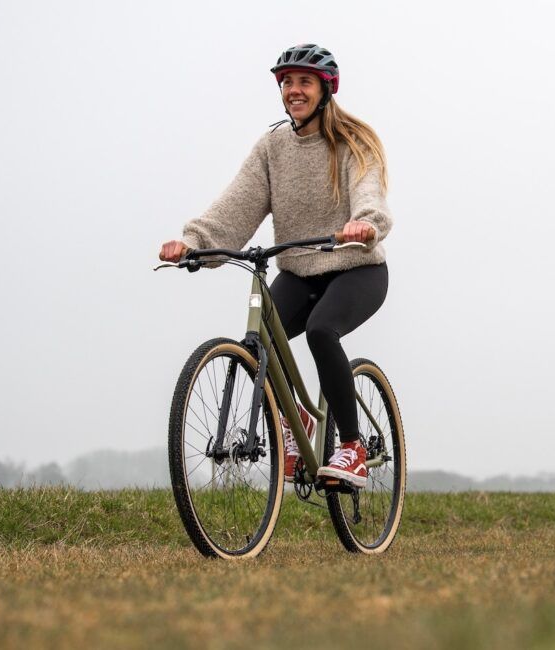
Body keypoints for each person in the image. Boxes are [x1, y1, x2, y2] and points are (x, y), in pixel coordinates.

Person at [159, 44, 391, 488]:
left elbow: (369, 191)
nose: (293, 91)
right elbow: (237, 205)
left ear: (325, 89)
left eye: (303, 82)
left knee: (323, 329)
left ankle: (353, 448)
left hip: (357, 267)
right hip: (300, 270)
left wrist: (364, 224)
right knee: (264, 335)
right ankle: (296, 420)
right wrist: (193, 243)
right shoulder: (273, 147)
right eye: (286, 83)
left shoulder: (352, 142)